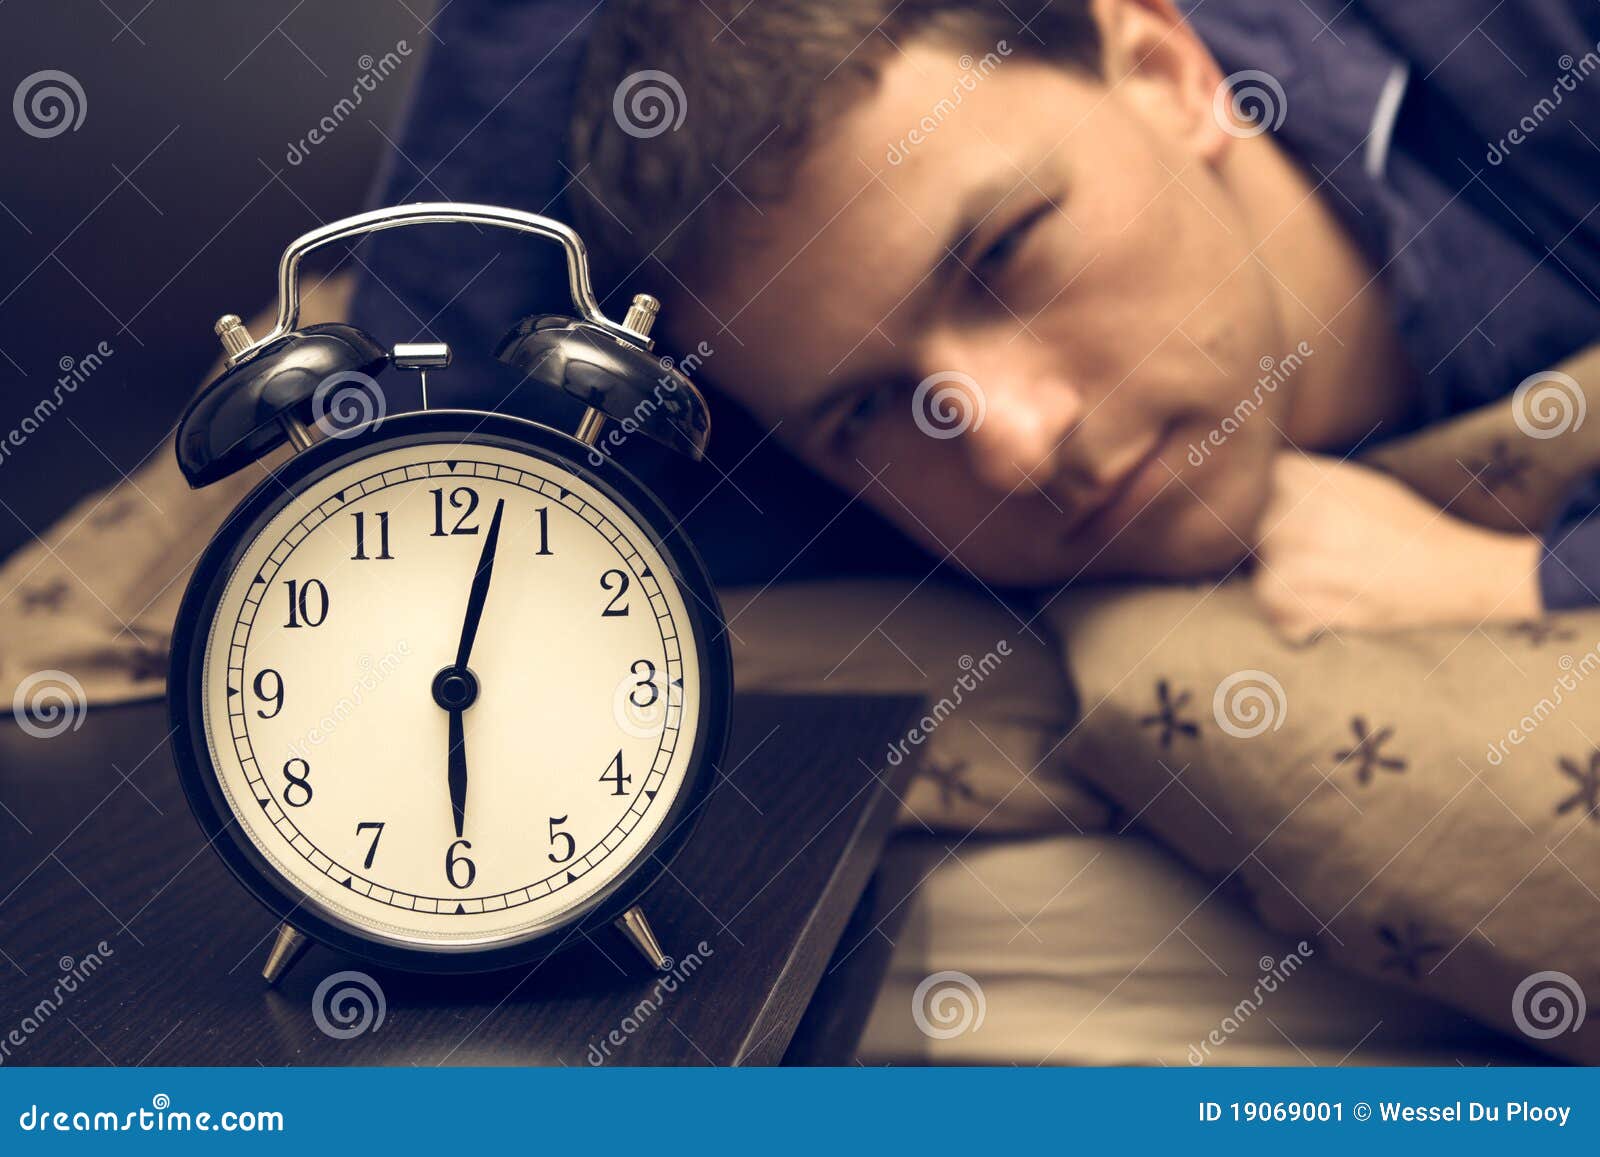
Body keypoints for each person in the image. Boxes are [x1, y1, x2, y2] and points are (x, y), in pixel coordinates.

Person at [343, 0, 1600, 636]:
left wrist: (1522, 581)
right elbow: (446, 507)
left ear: (1164, 72)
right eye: (864, 408)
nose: (1011, 446)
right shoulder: (770, 485)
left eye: (1001, 253)